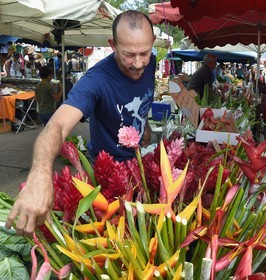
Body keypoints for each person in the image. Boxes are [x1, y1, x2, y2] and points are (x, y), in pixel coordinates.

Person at [6, 10, 157, 236]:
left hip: (139, 168)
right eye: (129, 55)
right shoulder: (95, 80)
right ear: (113, 45)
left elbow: (141, 98)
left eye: (144, 53)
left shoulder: (151, 62)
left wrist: (143, 124)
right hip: (108, 178)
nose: (138, 63)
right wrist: (39, 174)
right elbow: (57, 125)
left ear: (152, 43)